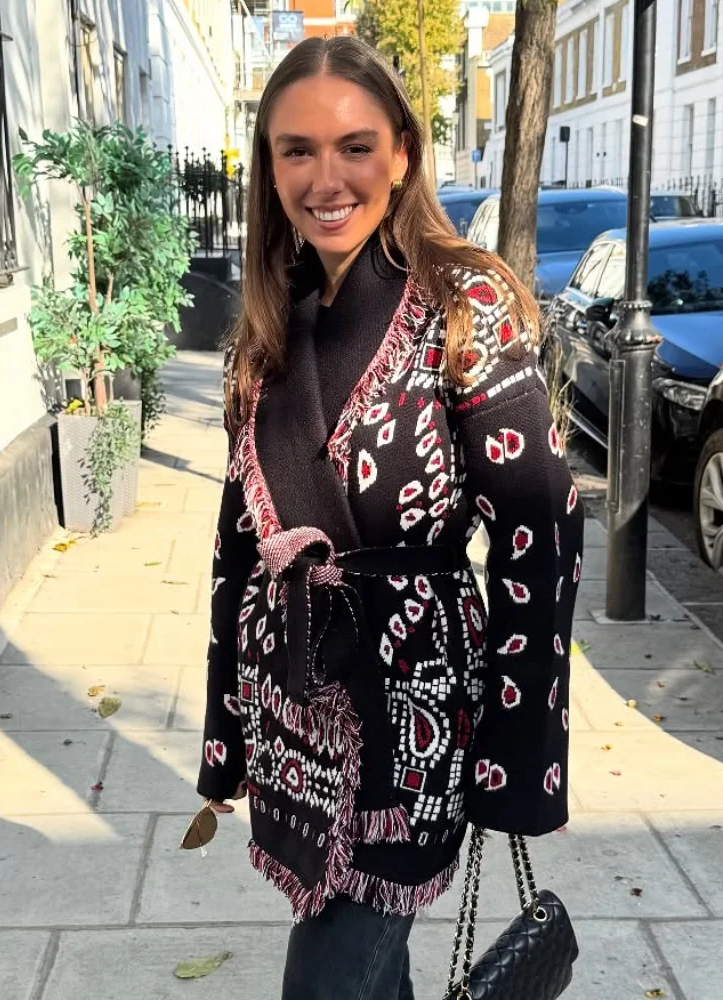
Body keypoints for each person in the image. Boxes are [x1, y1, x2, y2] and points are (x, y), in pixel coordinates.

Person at [197, 34, 584, 1000]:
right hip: (295, 712)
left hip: (416, 716)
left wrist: (518, 751)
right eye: (297, 151)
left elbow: (540, 529)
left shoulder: (463, 301)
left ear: (403, 153)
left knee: (328, 980)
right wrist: (226, 730)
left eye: (355, 147)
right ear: (269, 167)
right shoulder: (268, 321)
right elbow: (239, 543)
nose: (325, 179)